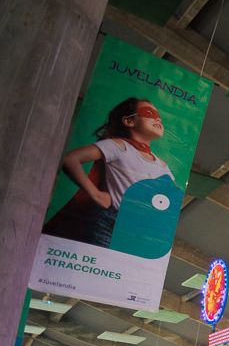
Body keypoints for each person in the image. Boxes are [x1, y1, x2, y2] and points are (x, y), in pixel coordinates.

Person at [43, 97, 176, 248]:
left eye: (159, 117)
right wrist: (96, 194)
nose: (157, 119)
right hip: (110, 222)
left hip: (139, 231)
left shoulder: (162, 165)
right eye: (149, 113)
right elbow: (71, 159)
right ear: (129, 121)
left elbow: (169, 200)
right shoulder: (118, 146)